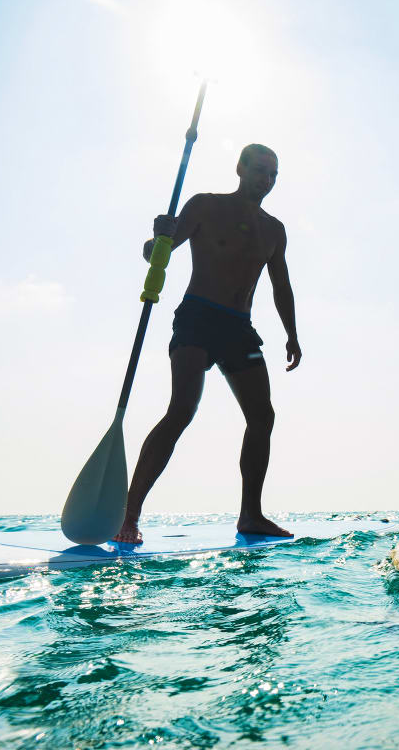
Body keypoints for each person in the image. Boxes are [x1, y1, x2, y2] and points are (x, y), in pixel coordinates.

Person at [113, 144, 302, 544]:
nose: (266, 179)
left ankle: (250, 514)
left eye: (273, 174)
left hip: (239, 328)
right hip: (198, 316)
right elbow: (157, 255)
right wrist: (157, 238)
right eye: (260, 170)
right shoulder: (205, 205)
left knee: (262, 417)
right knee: (182, 409)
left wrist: (292, 334)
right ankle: (128, 514)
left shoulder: (274, 230)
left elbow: (280, 285)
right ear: (240, 168)